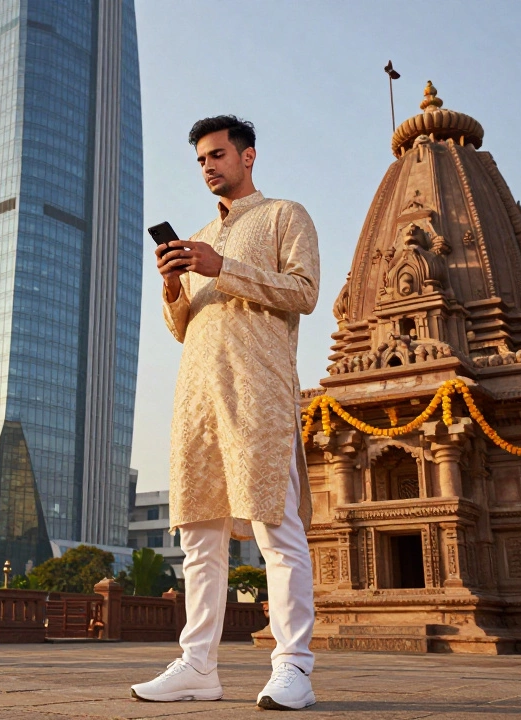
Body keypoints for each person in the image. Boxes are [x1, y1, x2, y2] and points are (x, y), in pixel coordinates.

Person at [128, 115, 320, 711]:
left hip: (259, 394)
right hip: (199, 399)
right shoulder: (197, 236)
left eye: (217, 155)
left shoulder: (285, 215)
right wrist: (172, 288)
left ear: (249, 156)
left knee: (276, 531)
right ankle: (197, 667)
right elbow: (185, 328)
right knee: (200, 540)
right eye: (201, 160)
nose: (208, 166)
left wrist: (222, 267)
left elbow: (305, 292)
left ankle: (294, 666)